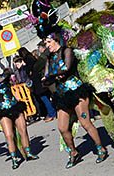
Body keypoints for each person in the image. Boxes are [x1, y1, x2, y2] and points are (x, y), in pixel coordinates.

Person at [42, 29, 109, 168]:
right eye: (45, 43)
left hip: (77, 91)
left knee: (85, 122)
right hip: (62, 95)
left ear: (56, 40)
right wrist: (48, 78)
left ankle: (100, 148)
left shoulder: (67, 51)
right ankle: (73, 152)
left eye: (49, 42)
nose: (47, 45)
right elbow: (45, 80)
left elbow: (66, 67)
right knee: (62, 127)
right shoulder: (49, 58)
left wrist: (50, 76)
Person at [0, 62, 37, 168]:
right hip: (3, 111)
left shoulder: (4, 75)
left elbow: (6, 74)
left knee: (23, 130)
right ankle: (14, 158)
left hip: (15, 106)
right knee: (9, 135)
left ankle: (28, 153)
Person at [19, 46, 55, 121]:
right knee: (47, 97)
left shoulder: (27, 60)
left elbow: (29, 71)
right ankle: (53, 112)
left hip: (36, 82)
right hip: (39, 79)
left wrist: (24, 66)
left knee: (44, 98)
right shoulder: (32, 57)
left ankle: (52, 113)